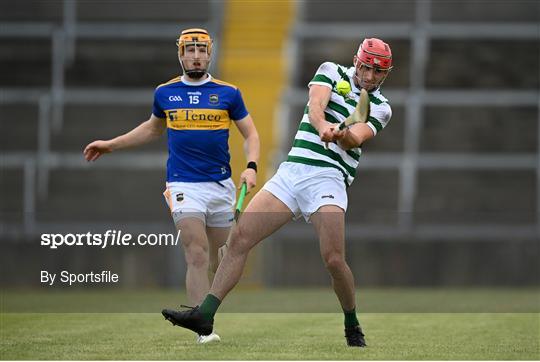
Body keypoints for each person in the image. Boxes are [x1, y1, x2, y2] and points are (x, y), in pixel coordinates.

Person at [161, 37, 393, 347]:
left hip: (328, 179)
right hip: (292, 172)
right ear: (356, 60)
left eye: (378, 72)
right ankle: (205, 315)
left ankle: (352, 324)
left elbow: (358, 137)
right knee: (240, 238)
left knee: (334, 260)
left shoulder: (381, 108)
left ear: (385, 73)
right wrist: (323, 125)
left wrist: (344, 135)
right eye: (366, 67)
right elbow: (315, 106)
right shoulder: (331, 70)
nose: (370, 76)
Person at [83, 28, 260, 344]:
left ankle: (205, 309)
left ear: (210, 54)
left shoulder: (229, 93)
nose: (196, 56)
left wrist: (251, 167)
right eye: (190, 50)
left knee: (225, 258)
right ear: (180, 54)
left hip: (221, 185)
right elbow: (152, 129)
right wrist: (110, 144)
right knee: (196, 251)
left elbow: (251, 135)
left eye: (202, 50)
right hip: (183, 184)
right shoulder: (165, 93)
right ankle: (203, 329)